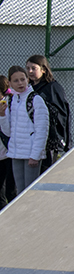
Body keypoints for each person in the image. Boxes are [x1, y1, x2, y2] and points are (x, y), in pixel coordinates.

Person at [0, 66, 49, 192]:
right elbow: (8, 132)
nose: (20, 83)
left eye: (23, 79)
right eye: (16, 81)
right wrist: (2, 116)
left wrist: (35, 155)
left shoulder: (36, 99)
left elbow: (42, 130)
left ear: (28, 79)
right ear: (9, 83)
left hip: (30, 154)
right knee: (20, 191)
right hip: (16, 153)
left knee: (30, 192)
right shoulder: (10, 100)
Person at [26, 55, 69, 171]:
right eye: (27, 68)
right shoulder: (28, 89)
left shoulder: (53, 87)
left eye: (33, 68)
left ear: (43, 70)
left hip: (50, 142)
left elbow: (62, 114)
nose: (30, 71)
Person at [0, 75, 17, 208]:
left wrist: (2, 116)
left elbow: (8, 131)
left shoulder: (7, 105)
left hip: (8, 154)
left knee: (10, 190)